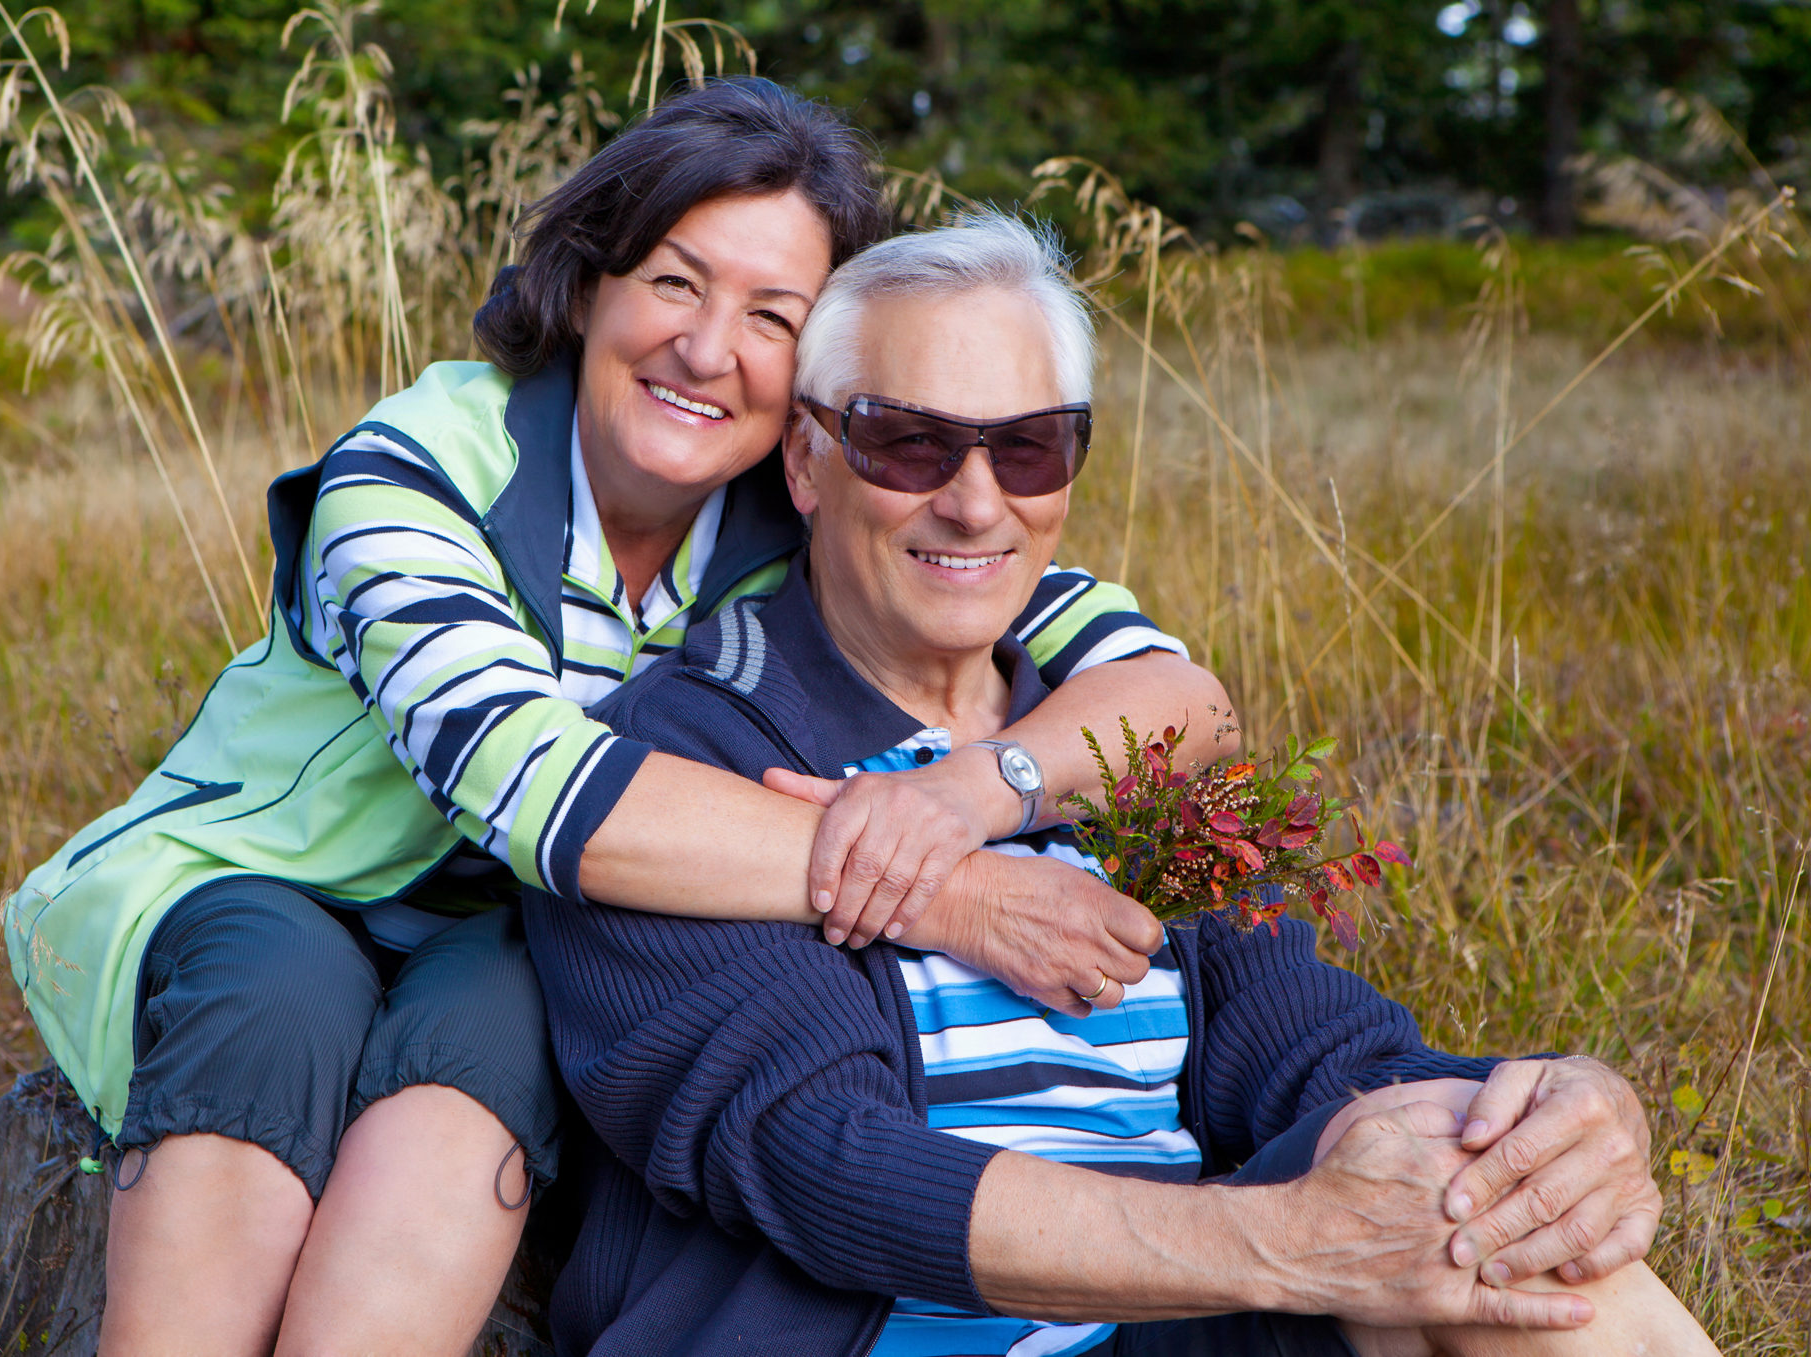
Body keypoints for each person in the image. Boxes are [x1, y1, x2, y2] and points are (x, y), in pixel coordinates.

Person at [3, 82, 1233, 1356]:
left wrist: (967, 795)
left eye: (774, 316)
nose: (710, 350)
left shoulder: (812, 503)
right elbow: (525, 785)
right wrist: (948, 891)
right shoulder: (423, 465)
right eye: (675, 281)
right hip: (266, 879)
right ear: (590, 283)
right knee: (276, 996)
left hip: (518, 931)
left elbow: (1176, 698)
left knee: (494, 1036)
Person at [526, 213, 1719, 1356]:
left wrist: (1564, 1109)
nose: (976, 500)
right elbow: (828, 1169)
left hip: (1158, 1328)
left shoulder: (1100, 748)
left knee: (1492, 1210)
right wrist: (1284, 1243)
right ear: (807, 460)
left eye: (1029, 444)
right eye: (909, 442)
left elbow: (1307, 1046)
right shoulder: (694, 757)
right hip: (870, 1335)